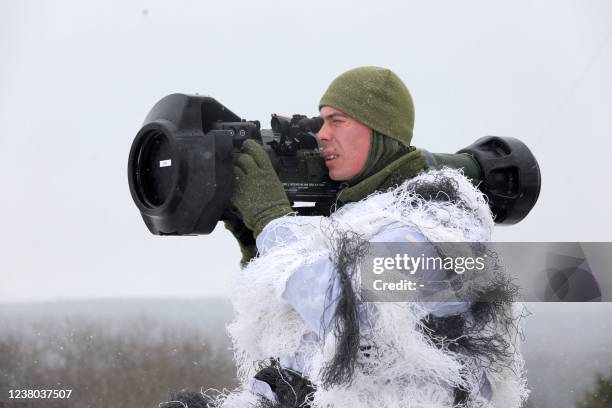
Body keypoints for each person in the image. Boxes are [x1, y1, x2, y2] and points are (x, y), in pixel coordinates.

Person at [216, 67, 529, 408]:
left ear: (379, 131)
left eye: (336, 120)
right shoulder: (357, 216)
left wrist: (272, 222)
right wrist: (258, 246)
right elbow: (299, 335)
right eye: (321, 121)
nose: (321, 135)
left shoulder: (437, 223)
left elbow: (350, 313)